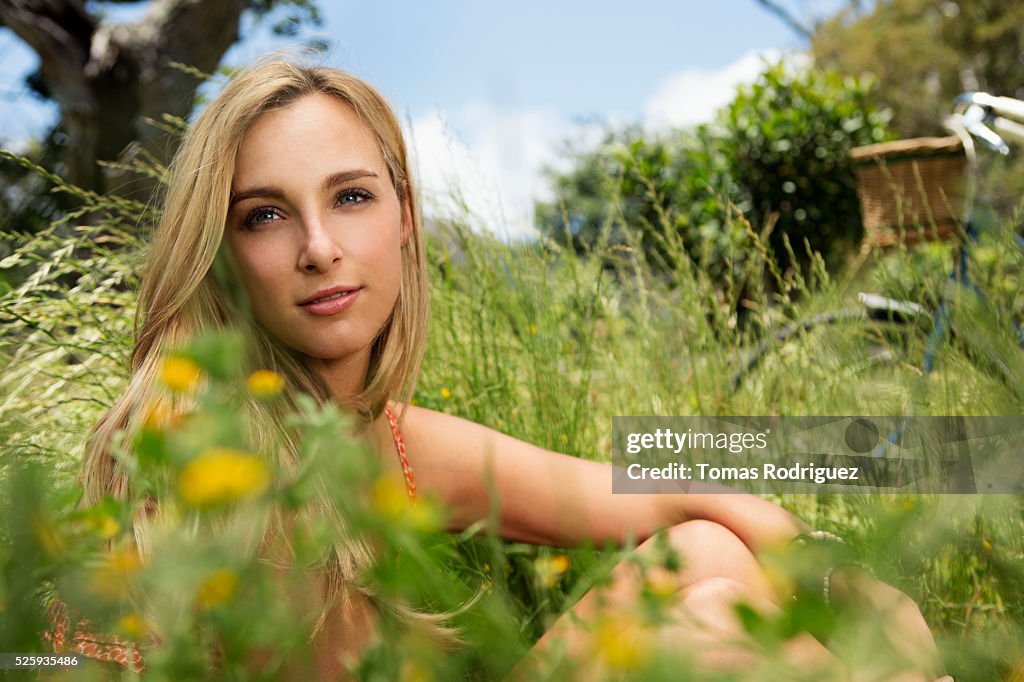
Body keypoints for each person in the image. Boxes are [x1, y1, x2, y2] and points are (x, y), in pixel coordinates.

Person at [44, 57, 949, 681]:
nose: (320, 248)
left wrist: (832, 573)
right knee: (714, 631)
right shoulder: (184, 440)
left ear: (403, 216)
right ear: (219, 251)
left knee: (707, 553)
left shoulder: (390, 442)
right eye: (264, 216)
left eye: (350, 197)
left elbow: (667, 487)